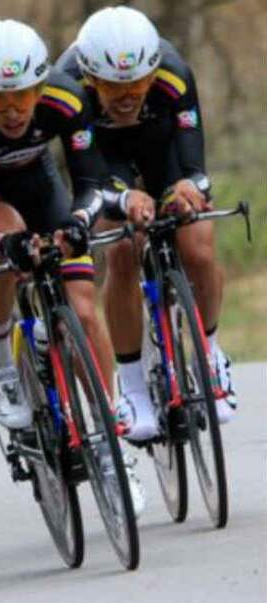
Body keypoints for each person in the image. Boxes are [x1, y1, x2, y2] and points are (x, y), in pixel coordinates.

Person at [58, 5, 235, 439]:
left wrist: (189, 187)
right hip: (104, 162)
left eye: (137, 83)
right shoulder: (66, 87)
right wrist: (122, 197)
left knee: (197, 245)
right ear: (91, 77)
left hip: (163, 150)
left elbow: (195, 157)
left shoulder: (173, 71)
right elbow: (86, 176)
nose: (127, 95)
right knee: (119, 252)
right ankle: (133, 387)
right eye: (114, 85)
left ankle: (209, 354)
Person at [0, 20, 113, 432]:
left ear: (41, 87)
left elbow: (90, 182)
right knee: (7, 229)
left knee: (83, 310)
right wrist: (1, 242)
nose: (13, 110)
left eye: (23, 95)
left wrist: (80, 221)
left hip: (36, 177)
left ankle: (109, 436)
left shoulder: (66, 98)